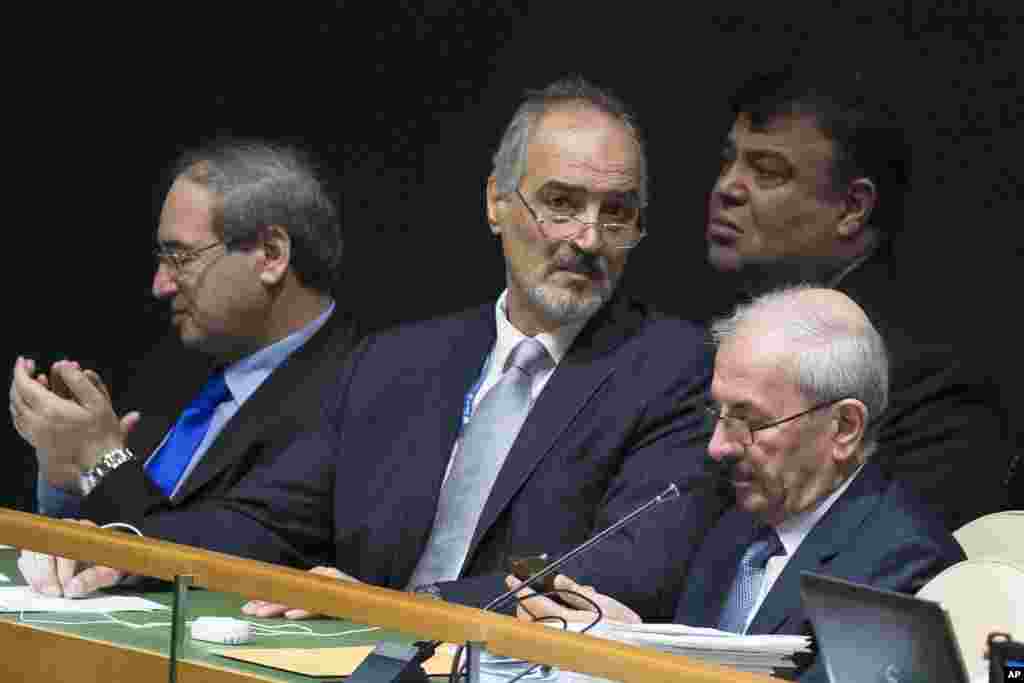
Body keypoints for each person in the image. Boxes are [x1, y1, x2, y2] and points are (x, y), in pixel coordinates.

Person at [242, 77, 721, 622]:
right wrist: (130, 544)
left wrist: (385, 610)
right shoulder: (396, 361)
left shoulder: (675, 369)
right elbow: (269, 519)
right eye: (560, 204)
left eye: (615, 213)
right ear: (496, 202)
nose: (588, 239)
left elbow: (623, 571)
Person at [509, 286, 965, 682]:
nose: (718, 446)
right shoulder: (740, 525)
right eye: (719, 414)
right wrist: (627, 641)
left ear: (844, 427)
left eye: (750, 421)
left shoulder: (903, 566)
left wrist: (640, 658)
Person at [10, 141, 359, 596]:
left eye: (181, 257)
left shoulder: (355, 389)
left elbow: (210, 554)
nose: (160, 285)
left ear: (271, 255)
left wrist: (102, 458)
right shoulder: (179, 368)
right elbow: (107, 541)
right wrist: (68, 471)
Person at [704, 66, 1011, 529]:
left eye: (766, 172)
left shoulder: (929, 379)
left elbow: (894, 567)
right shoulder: (725, 333)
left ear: (852, 208)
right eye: (728, 161)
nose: (728, 187)